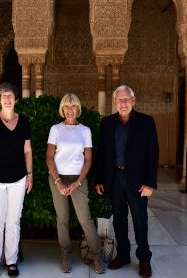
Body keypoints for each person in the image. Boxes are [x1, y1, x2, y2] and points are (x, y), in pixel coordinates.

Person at [95, 85, 159, 277]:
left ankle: (144, 258)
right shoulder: (107, 123)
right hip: (115, 177)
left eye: (126, 99)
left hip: (138, 180)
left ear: (133, 101)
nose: (123, 103)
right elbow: (102, 153)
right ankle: (123, 254)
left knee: (140, 220)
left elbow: (153, 153)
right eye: (119, 100)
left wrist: (150, 182)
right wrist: (100, 179)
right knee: (119, 220)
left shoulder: (146, 122)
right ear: (115, 102)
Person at [46, 93, 105, 274]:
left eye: (73, 106)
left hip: (79, 179)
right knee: (62, 219)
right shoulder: (55, 129)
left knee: (85, 219)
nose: (70, 110)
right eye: (66, 106)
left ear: (78, 109)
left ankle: (97, 256)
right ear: (62, 109)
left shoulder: (85, 131)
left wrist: (78, 182)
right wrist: (58, 181)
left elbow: (88, 160)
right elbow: (49, 157)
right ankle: (66, 256)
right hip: (57, 178)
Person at [0, 82, 33, 278]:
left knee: (13, 221)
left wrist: (30, 175)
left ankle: (11, 261)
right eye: (4, 95)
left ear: (16, 99)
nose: (7, 99)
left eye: (10, 95)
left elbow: (27, 150)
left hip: (18, 179)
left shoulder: (24, 121)